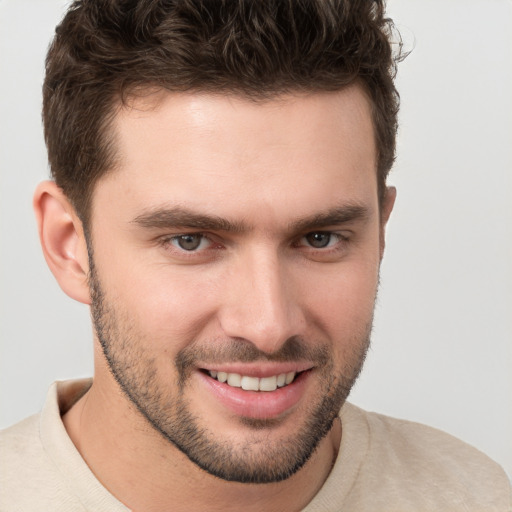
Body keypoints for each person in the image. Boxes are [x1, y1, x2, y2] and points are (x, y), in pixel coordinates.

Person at [0, 0, 510, 510]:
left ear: (380, 233)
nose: (268, 325)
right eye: (191, 240)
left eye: (320, 238)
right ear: (69, 245)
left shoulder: (477, 496)